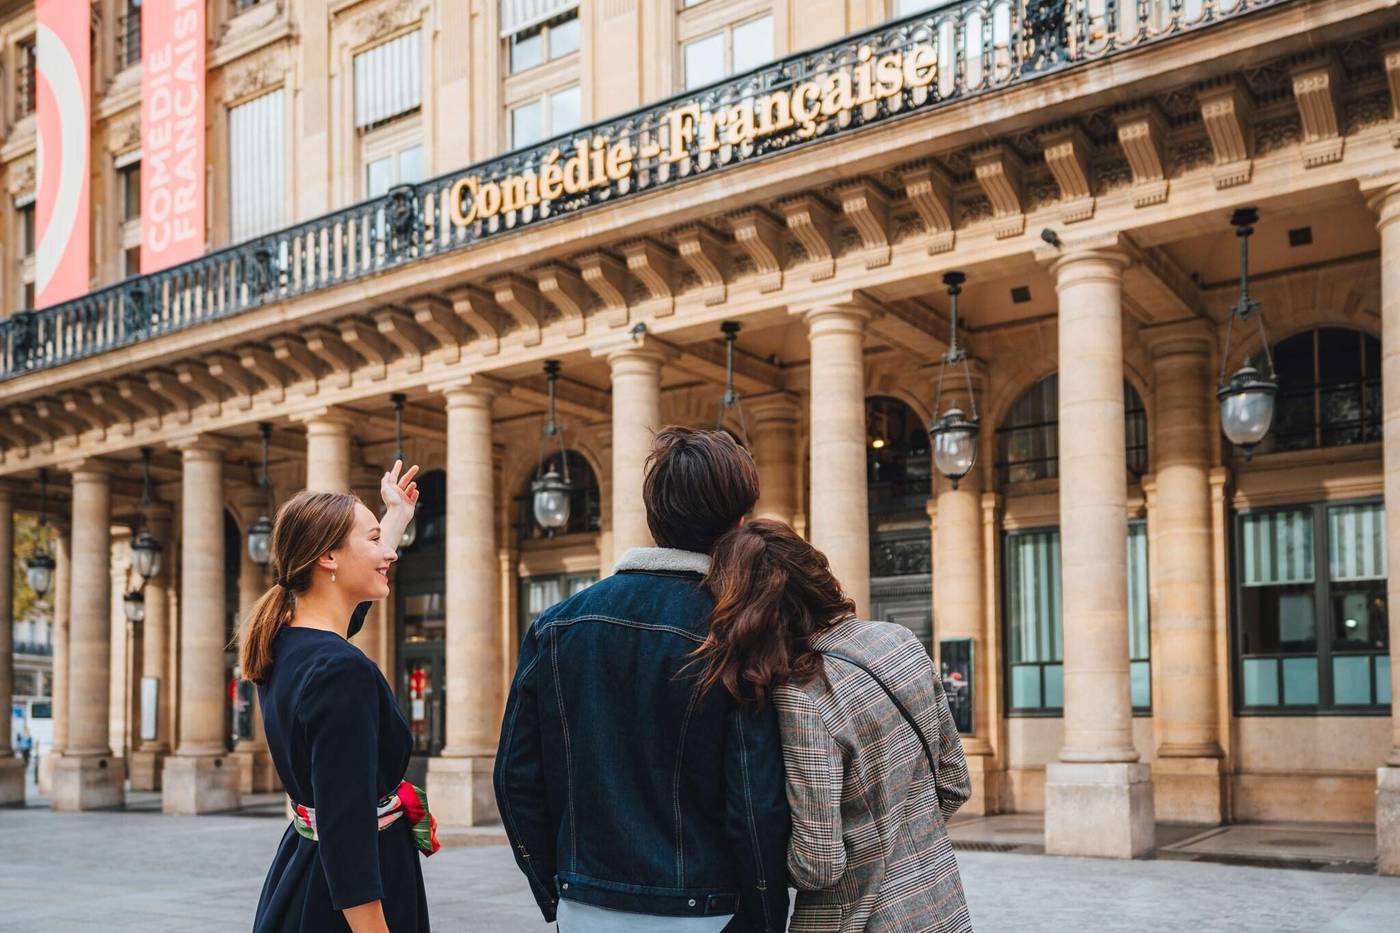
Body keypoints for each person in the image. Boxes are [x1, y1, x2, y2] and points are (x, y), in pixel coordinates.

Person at [495, 427, 791, 932]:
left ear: (654, 515)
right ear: (739, 521)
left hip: (585, 905)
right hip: (706, 910)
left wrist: (562, 888)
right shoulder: (735, 630)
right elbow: (754, 801)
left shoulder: (557, 625)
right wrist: (762, 919)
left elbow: (514, 778)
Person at [698, 519, 973, 933]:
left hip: (857, 919)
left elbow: (819, 865)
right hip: (940, 905)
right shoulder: (900, 641)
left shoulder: (804, 695)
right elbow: (954, 784)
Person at [247, 463, 439, 933]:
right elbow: (346, 829)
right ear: (328, 558)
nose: (388, 554)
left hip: (304, 871)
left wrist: (396, 518)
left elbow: (346, 610)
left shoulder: (283, 644)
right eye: (372, 541)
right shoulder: (340, 670)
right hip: (348, 901)